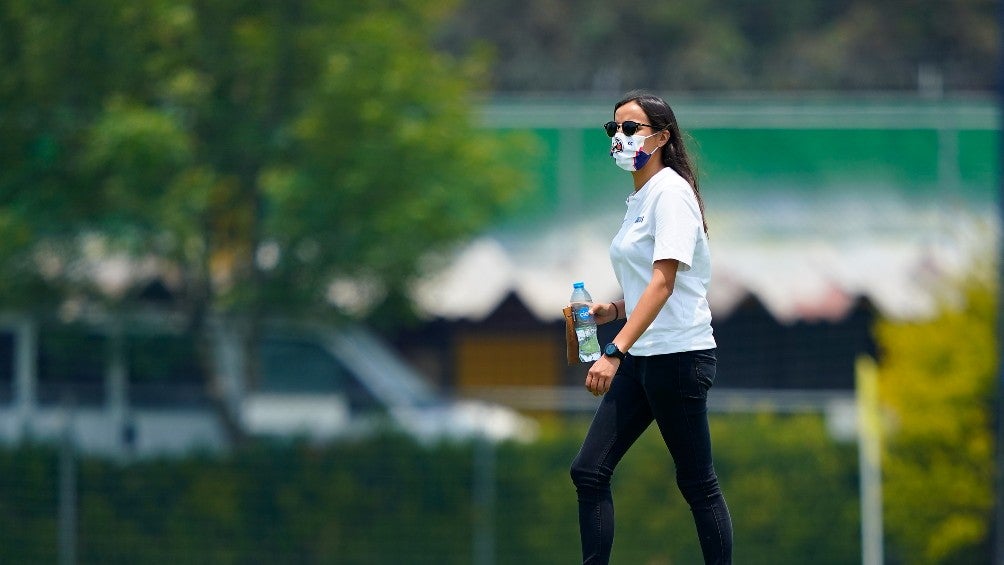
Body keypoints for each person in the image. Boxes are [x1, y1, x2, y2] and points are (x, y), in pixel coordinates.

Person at [569, 90, 733, 564]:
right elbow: (648, 286)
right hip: (643, 355)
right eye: (613, 129)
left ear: (661, 137)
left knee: (698, 484)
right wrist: (612, 311)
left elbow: (664, 283)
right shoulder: (640, 198)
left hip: (678, 357)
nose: (618, 138)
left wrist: (613, 351)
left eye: (630, 128)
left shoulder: (671, 194)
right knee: (589, 472)